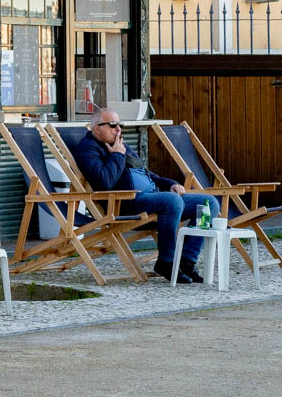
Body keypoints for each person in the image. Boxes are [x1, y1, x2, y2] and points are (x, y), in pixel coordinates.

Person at [70, 107, 218, 283]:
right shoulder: (88, 150)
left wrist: (170, 184)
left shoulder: (121, 145)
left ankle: (187, 260)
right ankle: (167, 261)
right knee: (172, 201)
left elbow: (147, 174)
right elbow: (104, 182)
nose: (118, 129)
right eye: (112, 125)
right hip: (126, 203)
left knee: (209, 204)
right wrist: (117, 155)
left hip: (153, 197)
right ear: (97, 128)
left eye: (120, 125)